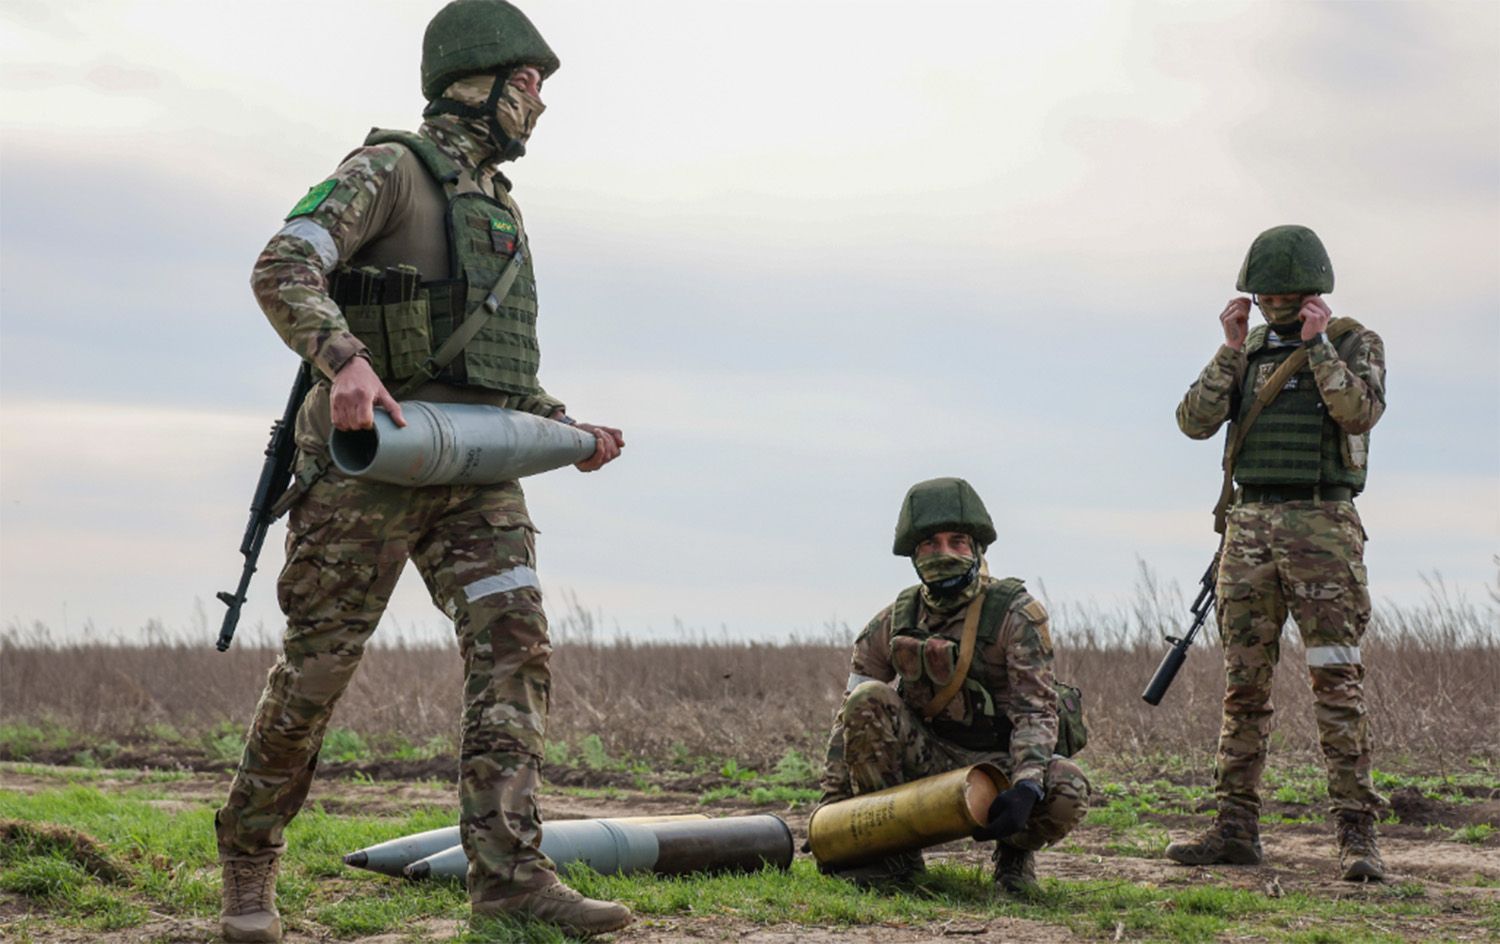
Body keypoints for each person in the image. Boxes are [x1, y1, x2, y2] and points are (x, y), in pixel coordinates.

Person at [213, 1, 632, 938]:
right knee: (317, 671)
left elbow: (492, 367)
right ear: (478, 83)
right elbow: (283, 265)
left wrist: (560, 427)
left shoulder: (500, 207)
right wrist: (343, 361)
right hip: (367, 464)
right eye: (529, 83)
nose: (539, 104)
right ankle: (249, 856)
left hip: (475, 473)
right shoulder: (386, 170)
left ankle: (509, 882)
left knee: (515, 649)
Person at [1168, 224, 1387, 882]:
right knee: (1244, 687)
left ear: (1312, 292)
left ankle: (1356, 834)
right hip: (1250, 527)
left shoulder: (1353, 342)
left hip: (1323, 524)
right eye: (1265, 297)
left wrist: (1317, 345)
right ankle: (1234, 828)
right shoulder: (1249, 351)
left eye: (1285, 296)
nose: (1274, 306)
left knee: (1336, 681)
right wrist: (1230, 349)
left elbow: (1358, 412)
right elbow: (1193, 421)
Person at [816, 477, 1090, 896]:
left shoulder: (1016, 614)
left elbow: (1035, 711)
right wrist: (832, 816)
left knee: (1068, 786)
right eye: (930, 544)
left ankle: (1014, 858)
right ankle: (894, 858)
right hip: (926, 757)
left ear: (976, 548)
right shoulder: (895, 619)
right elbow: (849, 718)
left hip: (999, 763)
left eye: (957, 542)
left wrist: (1027, 784)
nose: (943, 552)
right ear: (914, 553)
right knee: (870, 699)